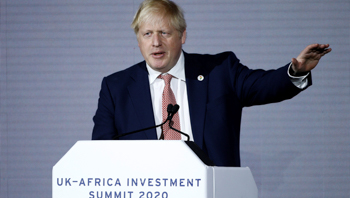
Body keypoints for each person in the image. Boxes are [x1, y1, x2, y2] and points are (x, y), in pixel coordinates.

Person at [92, 0, 331, 166]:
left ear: (182, 36)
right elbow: (99, 152)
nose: (156, 42)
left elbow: (263, 85)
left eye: (164, 33)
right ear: (138, 40)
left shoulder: (219, 71)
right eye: (147, 34)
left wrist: (294, 71)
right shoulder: (116, 88)